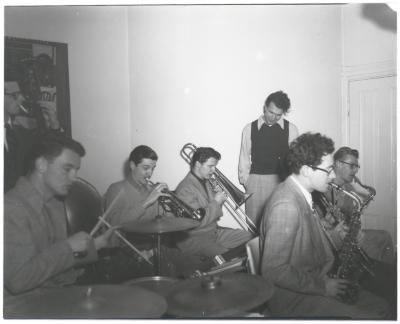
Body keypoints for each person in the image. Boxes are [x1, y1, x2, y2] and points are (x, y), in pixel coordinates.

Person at [259, 132, 391, 319]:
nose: (332, 176)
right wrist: (324, 286)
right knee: (378, 313)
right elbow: (273, 270)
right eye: (328, 169)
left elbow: (308, 247)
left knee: (381, 306)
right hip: (295, 300)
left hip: (316, 279)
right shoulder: (286, 204)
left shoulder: (301, 194)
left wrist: (337, 238)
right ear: (306, 170)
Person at [4, 133, 116, 296]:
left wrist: (96, 245)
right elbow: (18, 280)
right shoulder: (11, 208)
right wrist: (69, 246)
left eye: (76, 170)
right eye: (67, 169)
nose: (74, 177)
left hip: (57, 290)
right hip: (25, 305)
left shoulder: (54, 202)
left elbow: (56, 264)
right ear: (41, 164)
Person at [313, 146, 394, 264]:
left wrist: (357, 232)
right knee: (375, 252)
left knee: (385, 237)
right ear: (338, 164)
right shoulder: (323, 187)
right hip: (333, 241)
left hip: (349, 235)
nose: (356, 170)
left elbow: (351, 219)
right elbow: (316, 228)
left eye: (357, 167)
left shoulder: (349, 188)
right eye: (352, 166)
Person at [175, 147, 252, 259]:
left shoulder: (206, 182)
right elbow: (196, 222)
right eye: (210, 166)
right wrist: (216, 202)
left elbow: (216, 214)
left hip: (213, 231)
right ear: (197, 164)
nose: (213, 170)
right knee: (227, 256)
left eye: (215, 166)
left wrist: (219, 200)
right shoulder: (185, 189)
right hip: (196, 238)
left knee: (250, 237)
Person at [238, 90, 299, 227]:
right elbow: (244, 157)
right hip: (256, 181)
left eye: (278, 115)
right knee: (254, 225)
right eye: (271, 112)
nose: (273, 117)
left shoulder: (292, 129)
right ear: (265, 107)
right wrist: (246, 181)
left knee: (280, 224)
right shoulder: (249, 128)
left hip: (281, 182)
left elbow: (295, 160)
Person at [4, 80, 62, 192]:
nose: (22, 99)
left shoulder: (21, 132)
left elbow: (49, 151)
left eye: (20, 94)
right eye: (15, 95)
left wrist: (54, 124)